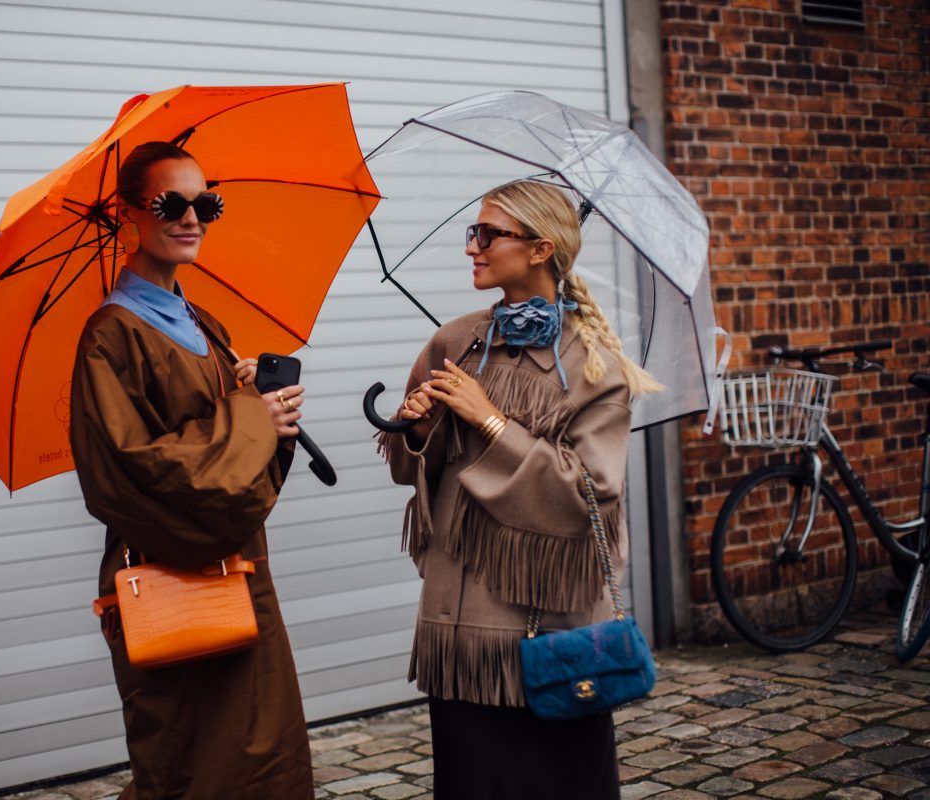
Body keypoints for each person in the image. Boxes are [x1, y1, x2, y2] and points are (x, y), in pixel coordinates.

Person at [378, 180, 662, 799]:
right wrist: (419, 428)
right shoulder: (456, 343)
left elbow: (588, 494)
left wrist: (491, 421)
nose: (471, 247)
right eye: (472, 232)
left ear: (539, 249)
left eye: (487, 234)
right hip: (461, 629)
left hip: (549, 630)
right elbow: (408, 470)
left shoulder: (594, 364)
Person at [69, 141, 313, 800]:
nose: (191, 217)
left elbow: (241, 474)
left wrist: (269, 414)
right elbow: (132, 471)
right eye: (169, 203)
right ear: (127, 216)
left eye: (206, 203)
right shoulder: (110, 335)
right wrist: (249, 417)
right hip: (170, 581)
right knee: (186, 767)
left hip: (236, 572)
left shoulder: (202, 323)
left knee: (263, 759)